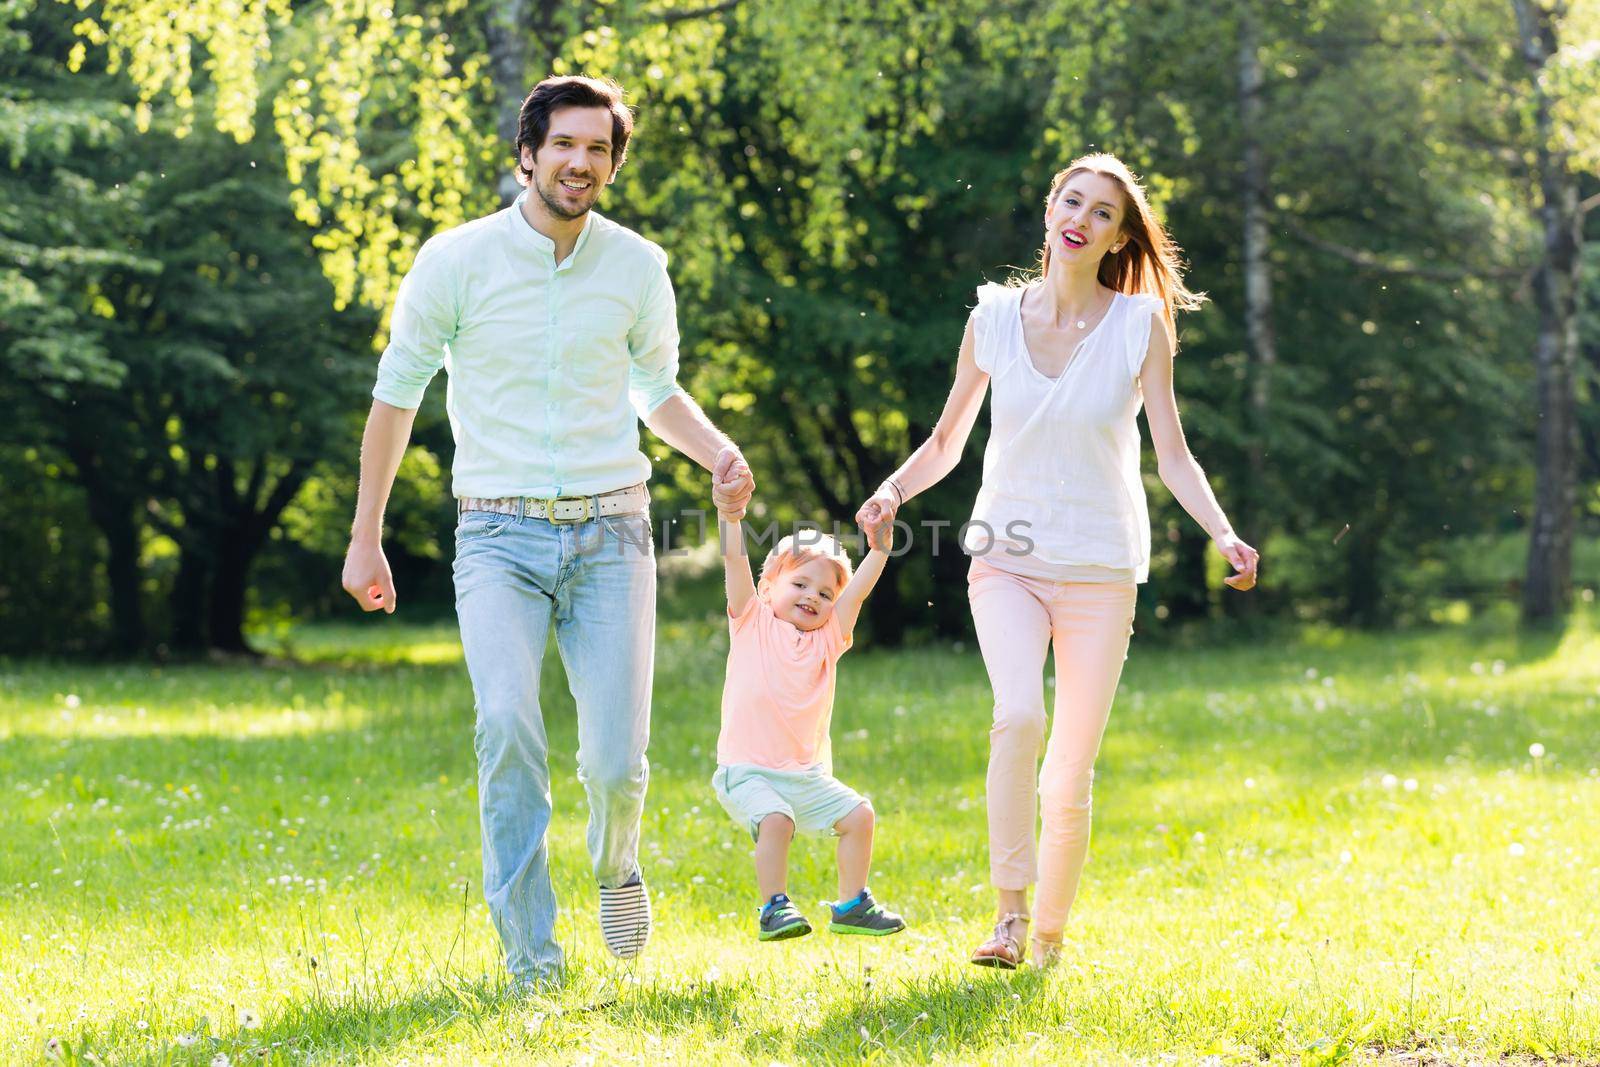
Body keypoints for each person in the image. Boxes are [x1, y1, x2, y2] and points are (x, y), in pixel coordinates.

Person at [340, 75, 754, 987]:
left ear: (612, 162)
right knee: (507, 728)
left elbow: (656, 388)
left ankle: (616, 865)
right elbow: (396, 395)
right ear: (527, 153)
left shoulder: (638, 266)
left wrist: (719, 451)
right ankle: (532, 958)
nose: (581, 162)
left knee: (614, 758)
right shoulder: (455, 260)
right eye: (564, 144)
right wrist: (364, 534)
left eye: (598, 148)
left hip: (614, 532)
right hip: (497, 533)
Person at [857, 153, 1258, 969]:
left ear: (1117, 237)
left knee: (1069, 767)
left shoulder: (1140, 325)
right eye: (1072, 201)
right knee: (1019, 716)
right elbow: (945, 441)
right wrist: (891, 490)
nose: (1083, 217)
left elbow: (1172, 455)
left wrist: (1223, 532)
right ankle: (1006, 917)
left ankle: (1047, 935)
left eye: (1104, 211)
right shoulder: (993, 319)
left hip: (1102, 567)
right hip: (1006, 554)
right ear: (1049, 213)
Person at [710, 459, 907, 942]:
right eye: (799, 584)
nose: (812, 597)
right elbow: (734, 560)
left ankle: (852, 904)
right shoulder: (751, 622)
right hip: (747, 771)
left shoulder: (827, 640)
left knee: (859, 816)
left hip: (805, 775)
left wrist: (878, 550)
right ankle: (774, 907)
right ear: (767, 587)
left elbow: (856, 595)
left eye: (823, 592)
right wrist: (730, 516)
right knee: (776, 821)